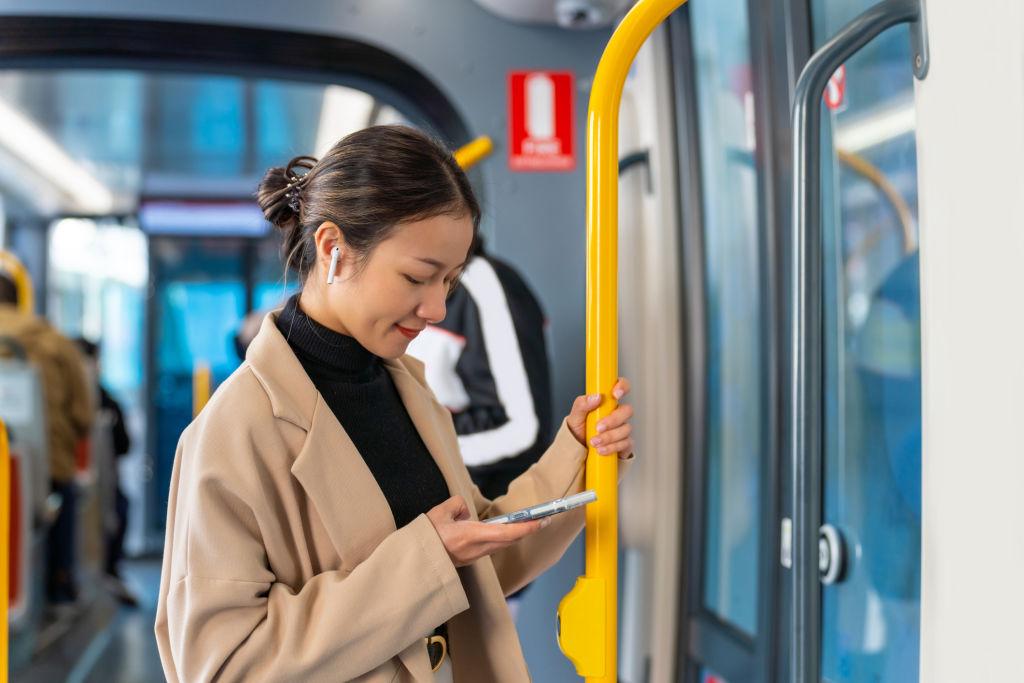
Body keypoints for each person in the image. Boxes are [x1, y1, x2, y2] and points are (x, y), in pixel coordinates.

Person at [154, 125, 635, 683]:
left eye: (449, 283)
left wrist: (576, 455)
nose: (435, 308)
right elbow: (224, 666)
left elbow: (473, 558)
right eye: (417, 277)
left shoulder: (406, 385)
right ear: (333, 249)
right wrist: (425, 561)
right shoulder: (233, 433)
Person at [0, 250, 93, 605]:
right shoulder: (54, 342)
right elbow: (82, 415)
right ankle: (60, 583)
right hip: (45, 471)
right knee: (62, 495)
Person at [74, 337, 138, 607]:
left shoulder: (106, 400)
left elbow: (125, 444)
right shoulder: (104, 399)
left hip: (101, 480)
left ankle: (108, 567)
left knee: (119, 507)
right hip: (91, 480)